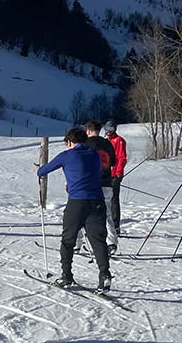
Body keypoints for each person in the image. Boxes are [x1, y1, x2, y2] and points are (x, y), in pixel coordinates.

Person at [35, 127, 112, 292]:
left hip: (77, 202)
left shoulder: (67, 155)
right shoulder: (95, 156)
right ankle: (104, 275)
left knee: (68, 240)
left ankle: (67, 276)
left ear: (69, 142)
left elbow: (43, 171)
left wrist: (37, 170)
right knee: (98, 241)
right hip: (97, 202)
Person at [80, 119, 118, 255]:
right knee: (107, 213)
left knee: (81, 212)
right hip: (107, 183)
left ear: (88, 131)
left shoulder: (86, 144)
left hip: (90, 184)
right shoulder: (107, 143)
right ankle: (112, 242)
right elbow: (113, 161)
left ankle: (77, 243)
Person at [104, 120, 127, 235]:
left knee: (113, 200)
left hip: (115, 174)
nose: (108, 132)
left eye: (111, 130)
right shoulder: (106, 141)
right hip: (106, 174)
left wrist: (118, 173)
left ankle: (115, 226)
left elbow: (121, 158)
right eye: (106, 129)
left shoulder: (119, 141)